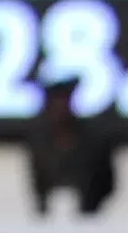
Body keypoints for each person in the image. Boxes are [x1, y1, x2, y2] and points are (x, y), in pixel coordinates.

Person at [25, 80, 116, 218]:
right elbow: (36, 182)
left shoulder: (94, 141)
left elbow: (107, 182)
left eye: (64, 101)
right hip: (47, 219)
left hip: (91, 216)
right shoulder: (39, 142)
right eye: (56, 102)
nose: (60, 108)